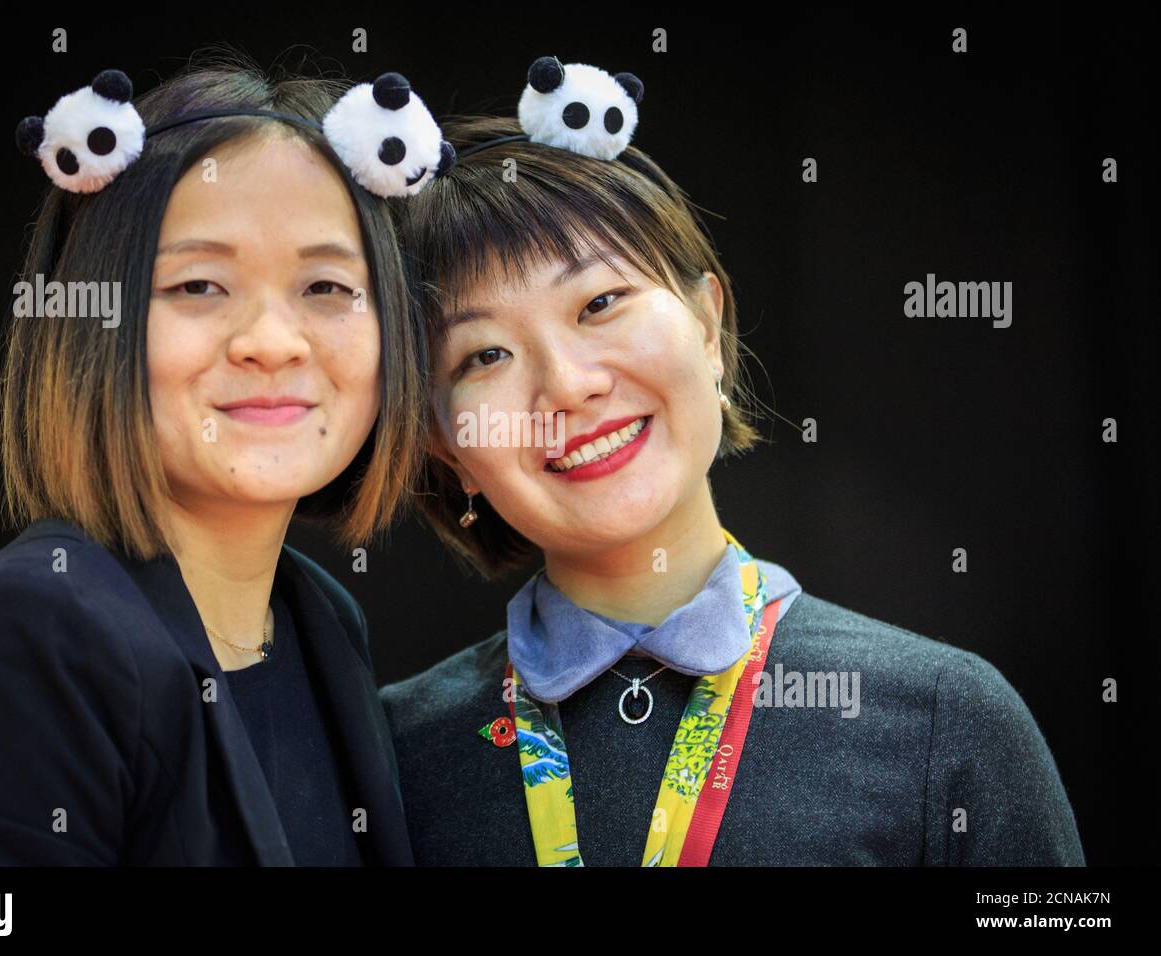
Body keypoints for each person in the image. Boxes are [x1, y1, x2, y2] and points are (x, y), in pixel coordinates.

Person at [379, 57, 1086, 866]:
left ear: (708, 328)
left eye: (600, 303)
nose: (568, 387)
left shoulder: (945, 719)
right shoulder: (389, 758)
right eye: (485, 355)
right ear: (444, 446)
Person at [0, 52, 435, 865]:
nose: (271, 342)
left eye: (327, 288)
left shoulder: (322, 621)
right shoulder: (14, 639)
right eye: (199, 286)